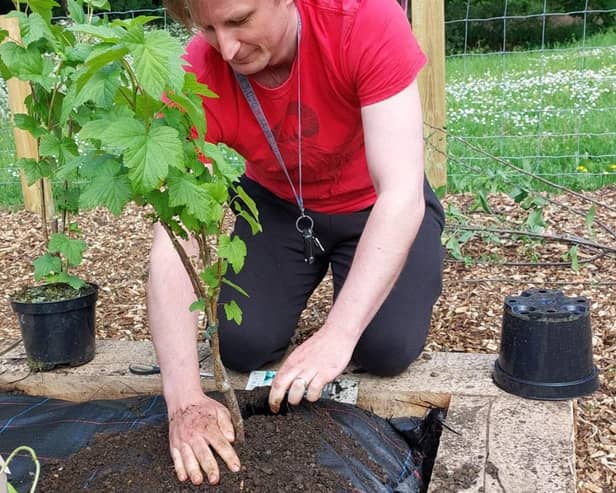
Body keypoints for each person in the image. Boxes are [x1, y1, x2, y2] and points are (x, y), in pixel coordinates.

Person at [148, 0, 445, 486]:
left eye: (241, 21)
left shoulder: (363, 20)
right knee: (243, 346)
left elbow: (401, 193)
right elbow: (174, 231)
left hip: (375, 204)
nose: (226, 48)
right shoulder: (196, 73)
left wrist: (336, 335)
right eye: (207, 28)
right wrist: (183, 399)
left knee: (387, 348)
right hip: (279, 205)